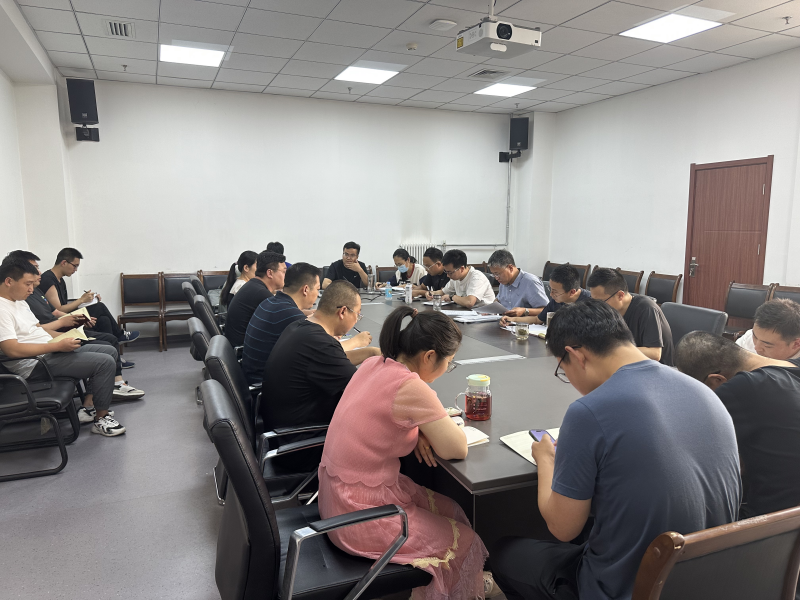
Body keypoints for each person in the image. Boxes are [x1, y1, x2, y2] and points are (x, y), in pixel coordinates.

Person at [492, 300, 741, 600]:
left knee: (503, 552)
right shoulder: (705, 393)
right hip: (711, 581)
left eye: (563, 369)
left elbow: (562, 528)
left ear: (576, 355)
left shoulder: (588, 412)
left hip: (629, 589)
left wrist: (545, 459)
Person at [318, 305, 491, 600]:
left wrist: (418, 427)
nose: (447, 369)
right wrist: (425, 426)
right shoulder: (410, 386)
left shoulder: (375, 364)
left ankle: (448, 586)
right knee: (466, 541)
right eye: (449, 363)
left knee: (453, 511)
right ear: (429, 356)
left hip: (336, 497)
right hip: (358, 515)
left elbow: (384, 415)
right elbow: (456, 448)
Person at [676, 332, 800, 519]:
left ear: (716, 380)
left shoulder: (744, 388)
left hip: (773, 523)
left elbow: (686, 447)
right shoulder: (790, 368)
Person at [261, 280, 381, 471]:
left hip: (281, 435)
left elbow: (334, 359)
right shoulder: (320, 345)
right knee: (382, 432)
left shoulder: (301, 328)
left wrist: (371, 352)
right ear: (342, 312)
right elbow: (367, 394)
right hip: (302, 449)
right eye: (357, 314)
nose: (357, 320)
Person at [0, 259, 126, 436]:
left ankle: (90, 407)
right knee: (104, 363)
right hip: (34, 365)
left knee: (109, 350)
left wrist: (67, 338)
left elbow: (37, 330)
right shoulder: (2, 309)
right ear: (8, 281)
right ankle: (101, 419)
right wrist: (57, 345)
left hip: (48, 352)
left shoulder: (19, 301)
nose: (31, 289)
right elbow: (11, 350)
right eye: (27, 284)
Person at [5, 251, 144, 400]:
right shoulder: (39, 286)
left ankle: (111, 381)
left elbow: (52, 314)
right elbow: (48, 321)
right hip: (47, 344)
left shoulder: (26, 297)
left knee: (102, 321)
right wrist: (77, 306)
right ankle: (115, 363)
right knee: (106, 338)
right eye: (34, 268)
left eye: (37, 268)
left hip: (52, 336)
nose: (38, 272)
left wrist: (75, 322)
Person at [38, 247, 139, 344]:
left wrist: (88, 301)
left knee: (104, 320)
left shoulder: (60, 280)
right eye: (75, 266)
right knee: (100, 307)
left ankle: (114, 352)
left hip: (66, 316)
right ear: (64, 263)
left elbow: (65, 305)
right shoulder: (48, 280)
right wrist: (81, 300)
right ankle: (120, 334)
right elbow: (58, 310)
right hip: (59, 322)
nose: (76, 270)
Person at [588, 267, 674, 365]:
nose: (597, 306)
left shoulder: (646, 309)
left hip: (653, 368)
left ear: (620, 295)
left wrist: (614, 351)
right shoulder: (610, 310)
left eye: (600, 302)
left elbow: (655, 353)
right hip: (626, 364)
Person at [224, 250, 285, 348]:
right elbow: (286, 317)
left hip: (236, 345)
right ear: (270, 273)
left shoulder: (253, 285)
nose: (285, 276)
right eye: (284, 271)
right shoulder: (261, 293)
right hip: (243, 349)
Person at [499, 263, 590, 327]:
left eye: (555, 291)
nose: (551, 294)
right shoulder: (556, 301)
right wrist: (511, 319)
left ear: (572, 292)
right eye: (550, 289)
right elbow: (537, 319)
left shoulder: (590, 303)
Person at [487, 249, 548, 318]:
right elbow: (499, 299)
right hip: (505, 321)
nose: (496, 278)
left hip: (523, 323)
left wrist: (525, 311)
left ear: (510, 268)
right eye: (493, 274)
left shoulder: (530, 282)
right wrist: (490, 309)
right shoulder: (503, 281)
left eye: (497, 274)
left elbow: (546, 310)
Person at [426, 249, 494, 309]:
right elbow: (443, 292)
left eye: (450, 272)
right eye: (446, 272)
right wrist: (431, 293)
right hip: (468, 313)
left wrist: (452, 297)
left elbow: (469, 302)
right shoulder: (455, 278)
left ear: (461, 269)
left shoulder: (477, 278)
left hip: (485, 314)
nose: (448, 275)